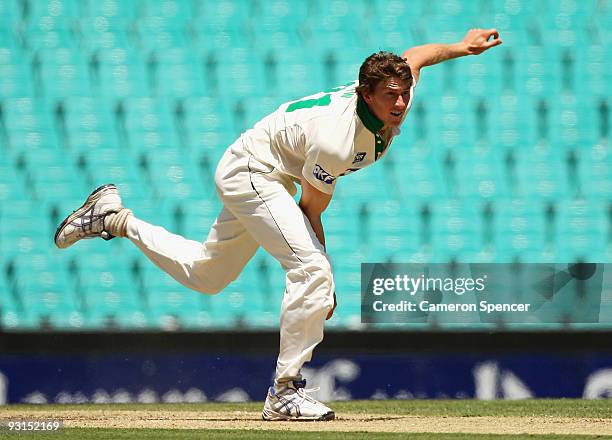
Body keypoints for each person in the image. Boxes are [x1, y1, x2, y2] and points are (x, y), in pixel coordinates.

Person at [55, 28, 502, 420]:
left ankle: (113, 217)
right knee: (311, 270)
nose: (402, 103)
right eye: (391, 95)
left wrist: (463, 47)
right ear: (367, 94)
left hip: (269, 173)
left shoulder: (396, 88)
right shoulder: (336, 140)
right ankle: (284, 392)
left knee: (208, 275)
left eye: (404, 93)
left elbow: (419, 54)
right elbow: (311, 211)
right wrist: (323, 281)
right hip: (252, 170)